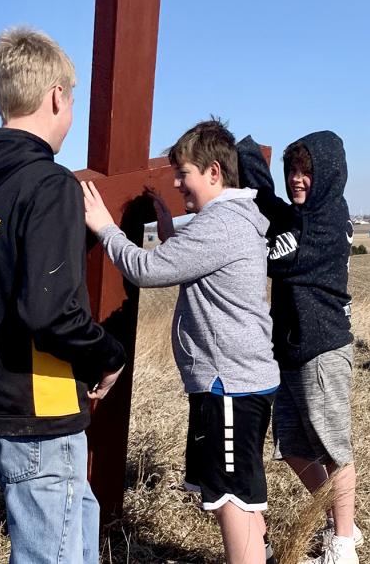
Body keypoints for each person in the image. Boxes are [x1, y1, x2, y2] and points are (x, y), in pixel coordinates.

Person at [0, 26, 126, 564]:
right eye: (71, 101)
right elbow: (49, 311)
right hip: (37, 407)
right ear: (56, 96)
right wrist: (108, 356)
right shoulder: (48, 184)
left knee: (78, 522)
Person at [81, 118, 280, 564]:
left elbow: (148, 270)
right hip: (241, 381)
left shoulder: (220, 225)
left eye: (183, 173)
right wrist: (169, 228)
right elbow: (196, 262)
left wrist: (105, 227)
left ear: (214, 172)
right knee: (242, 492)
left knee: (231, 499)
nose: (176, 182)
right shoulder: (232, 220)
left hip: (229, 386)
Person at [237, 132, 361, 564]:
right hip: (291, 350)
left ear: (327, 175)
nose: (296, 179)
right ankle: (341, 518)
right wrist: (246, 153)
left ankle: (343, 547)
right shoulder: (302, 217)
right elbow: (271, 204)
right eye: (292, 170)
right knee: (290, 445)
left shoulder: (325, 224)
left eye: (306, 171)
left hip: (322, 348)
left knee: (334, 450)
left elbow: (274, 255)